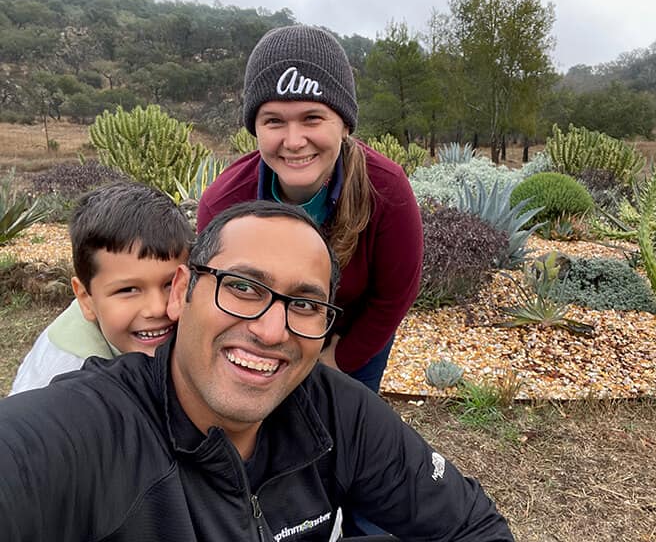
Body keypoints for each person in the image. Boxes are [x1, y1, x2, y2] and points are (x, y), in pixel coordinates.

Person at [0, 201, 514, 541]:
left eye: (305, 304)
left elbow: (473, 526)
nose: (271, 331)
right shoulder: (90, 428)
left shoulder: (336, 412)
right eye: (243, 287)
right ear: (181, 292)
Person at [197, 24, 423, 393]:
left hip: (351, 337)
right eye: (274, 121)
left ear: (345, 124)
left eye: (312, 118)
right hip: (259, 334)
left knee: (344, 423)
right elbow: (212, 299)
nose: (293, 141)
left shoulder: (386, 189)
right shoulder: (224, 202)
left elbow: (395, 293)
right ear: (255, 128)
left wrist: (340, 360)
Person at [9, 181, 193, 395]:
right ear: (85, 299)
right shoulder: (66, 384)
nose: (158, 308)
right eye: (128, 290)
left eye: (171, 284)